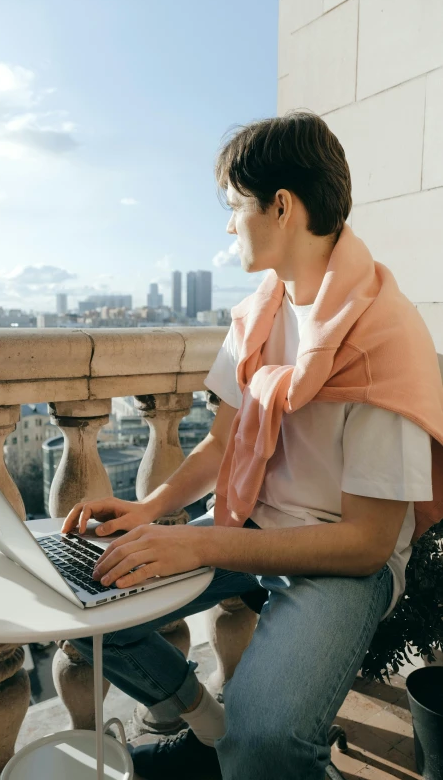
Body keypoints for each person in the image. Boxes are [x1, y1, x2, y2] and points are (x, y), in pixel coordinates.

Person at [62, 112, 440, 780]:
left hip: (342, 562)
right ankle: (210, 736)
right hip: (254, 522)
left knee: (266, 745)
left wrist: (200, 541)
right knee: (85, 606)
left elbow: (368, 542)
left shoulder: (384, 335)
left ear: (282, 207)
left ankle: (240, 752)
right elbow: (218, 445)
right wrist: (149, 510)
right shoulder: (258, 314)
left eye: (235, 204)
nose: (229, 223)